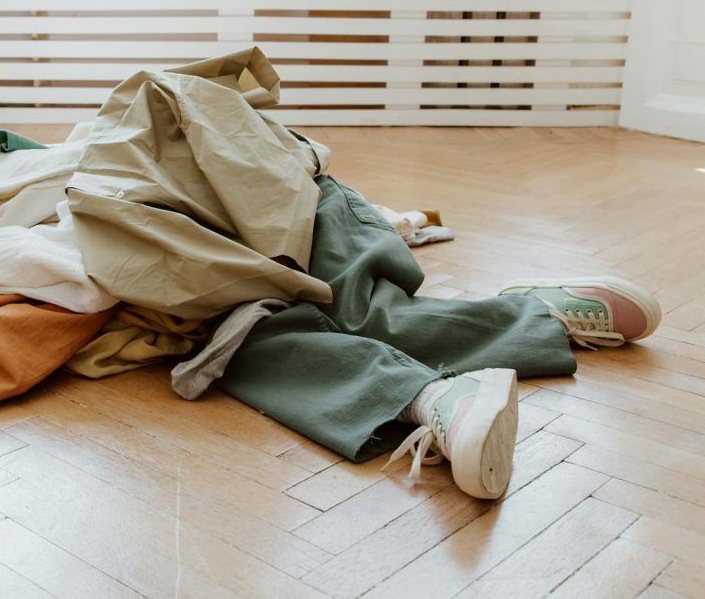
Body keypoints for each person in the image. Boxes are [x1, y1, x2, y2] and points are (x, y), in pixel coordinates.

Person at [215, 175, 661, 499]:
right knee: (232, 339)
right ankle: (441, 399)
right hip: (213, 280)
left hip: (292, 207)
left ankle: (534, 316)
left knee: (353, 311)